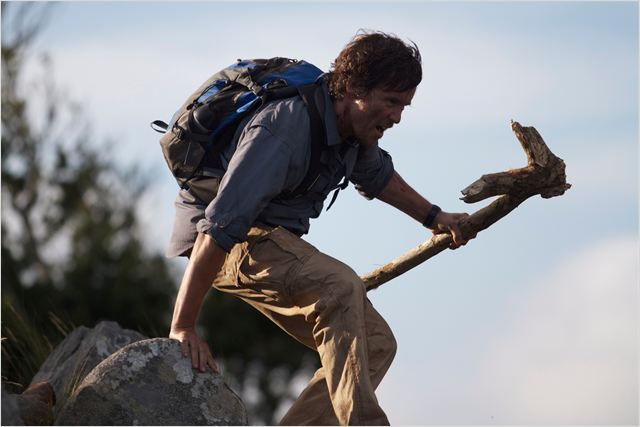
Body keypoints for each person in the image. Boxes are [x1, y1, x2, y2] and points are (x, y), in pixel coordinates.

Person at [166, 31, 472, 425]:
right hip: (228, 244)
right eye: (391, 102)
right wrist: (183, 325)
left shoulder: (351, 130)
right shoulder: (283, 129)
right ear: (355, 89)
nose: (397, 117)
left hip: (269, 242)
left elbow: (378, 177)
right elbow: (219, 226)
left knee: (375, 344)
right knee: (339, 286)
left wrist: (435, 217)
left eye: (404, 106)